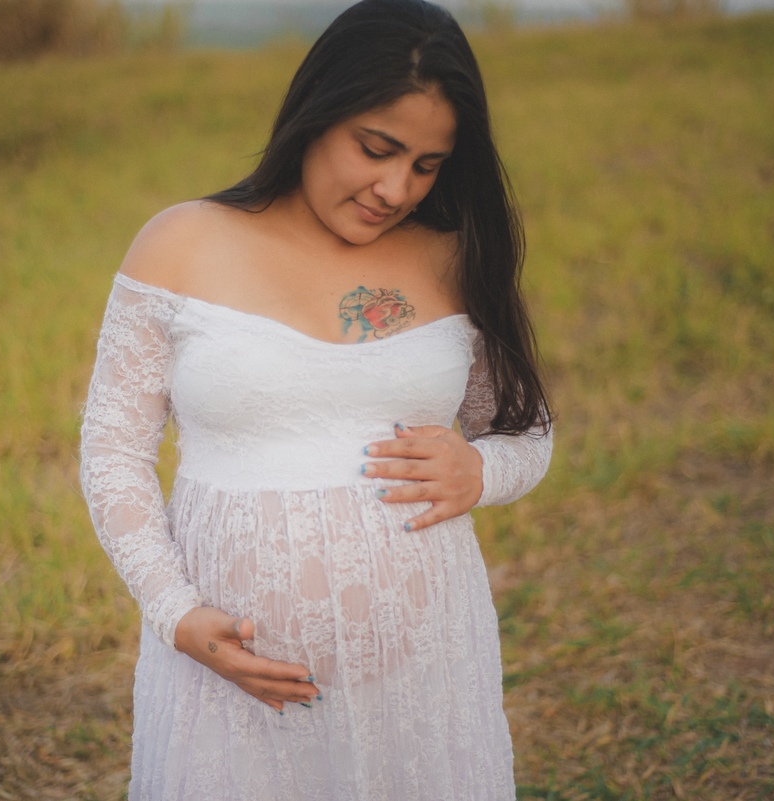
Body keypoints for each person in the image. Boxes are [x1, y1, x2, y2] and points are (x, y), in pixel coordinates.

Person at [79, 1, 553, 798]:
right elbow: (112, 448)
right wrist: (174, 611)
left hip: (421, 680)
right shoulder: (182, 244)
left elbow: (528, 431)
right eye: (377, 148)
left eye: (427, 165)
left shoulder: (453, 258)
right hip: (227, 691)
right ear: (316, 111)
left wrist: (482, 470)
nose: (395, 188)